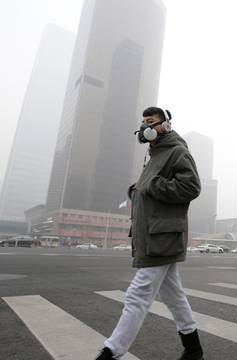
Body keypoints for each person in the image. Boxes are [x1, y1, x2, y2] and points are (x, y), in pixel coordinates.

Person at [97, 107, 204, 360]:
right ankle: (193, 348)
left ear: (165, 125)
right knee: (174, 295)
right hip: (154, 233)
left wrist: (151, 185)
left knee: (138, 293)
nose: (147, 126)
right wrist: (138, 189)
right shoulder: (154, 154)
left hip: (163, 236)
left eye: (152, 122)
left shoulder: (177, 151)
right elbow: (151, 188)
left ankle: (111, 352)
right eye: (144, 122)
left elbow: (191, 186)